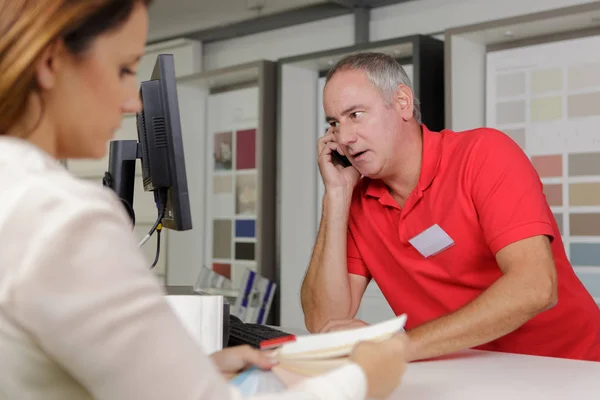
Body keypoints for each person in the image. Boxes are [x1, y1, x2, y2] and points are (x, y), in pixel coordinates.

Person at [0, 2, 409, 399]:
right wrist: (362, 378)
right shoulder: (61, 215)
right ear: (51, 63)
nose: (133, 100)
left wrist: (190, 370)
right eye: (123, 69)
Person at [301, 51, 600, 362]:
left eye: (356, 115)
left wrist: (401, 346)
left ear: (402, 102)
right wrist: (336, 196)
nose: (345, 137)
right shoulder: (359, 201)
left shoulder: (484, 155)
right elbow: (325, 322)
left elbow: (537, 286)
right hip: (467, 374)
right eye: (334, 123)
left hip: (572, 368)